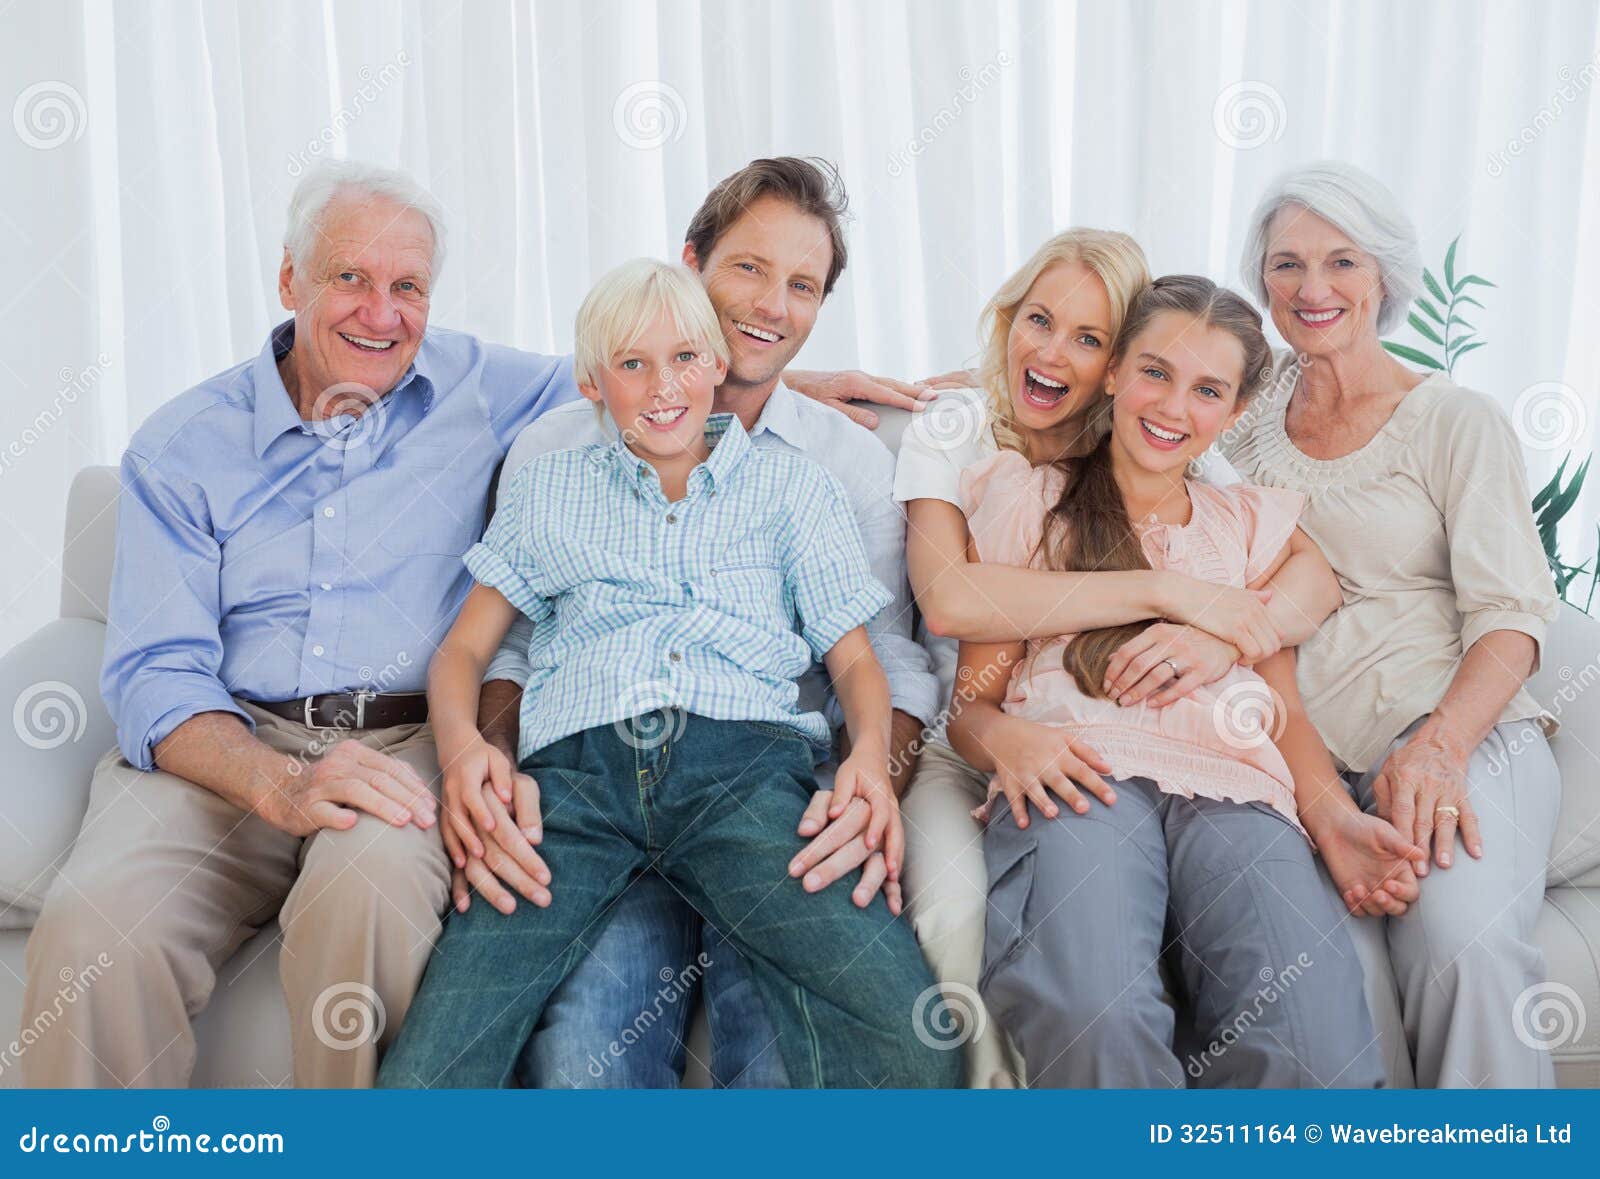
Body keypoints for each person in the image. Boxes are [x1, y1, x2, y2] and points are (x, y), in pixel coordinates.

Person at [19, 160, 577, 1087]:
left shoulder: (485, 386)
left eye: (408, 287)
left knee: (369, 894)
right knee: (95, 929)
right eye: (350, 278)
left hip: (406, 742)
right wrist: (277, 785)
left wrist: (774, 387)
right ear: (290, 280)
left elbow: (645, 372)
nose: (380, 312)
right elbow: (158, 672)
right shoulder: (182, 444)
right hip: (227, 743)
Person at [377, 259, 956, 1088]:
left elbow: (856, 655)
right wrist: (467, 751)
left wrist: (867, 757)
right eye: (632, 364)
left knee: (909, 1032)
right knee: (439, 1058)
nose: (663, 387)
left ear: (719, 361)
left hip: (745, 778)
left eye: (685, 357)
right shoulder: (546, 490)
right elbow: (462, 652)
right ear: (590, 384)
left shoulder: (793, 487)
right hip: (570, 792)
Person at [891, 229, 1343, 1085]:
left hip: (1234, 786)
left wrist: (1223, 636)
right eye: (1156, 373)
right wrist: (1005, 738)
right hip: (1083, 774)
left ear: (1236, 411)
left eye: (1208, 389)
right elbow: (969, 674)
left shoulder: (1239, 516)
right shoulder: (1030, 498)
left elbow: (1307, 599)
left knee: (1311, 1035)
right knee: (1094, 1007)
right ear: (1120, 376)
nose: (1174, 406)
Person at [1224, 161, 1562, 1087]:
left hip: (1453, 735)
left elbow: (1513, 618)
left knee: (1464, 948)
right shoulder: (1239, 422)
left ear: (1384, 278)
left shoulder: (1454, 421)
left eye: (1342, 261)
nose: (1314, 287)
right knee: (1319, 983)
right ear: (1262, 282)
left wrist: (1440, 748)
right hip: (1299, 765)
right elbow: (1113, 382)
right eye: (1287, 264)